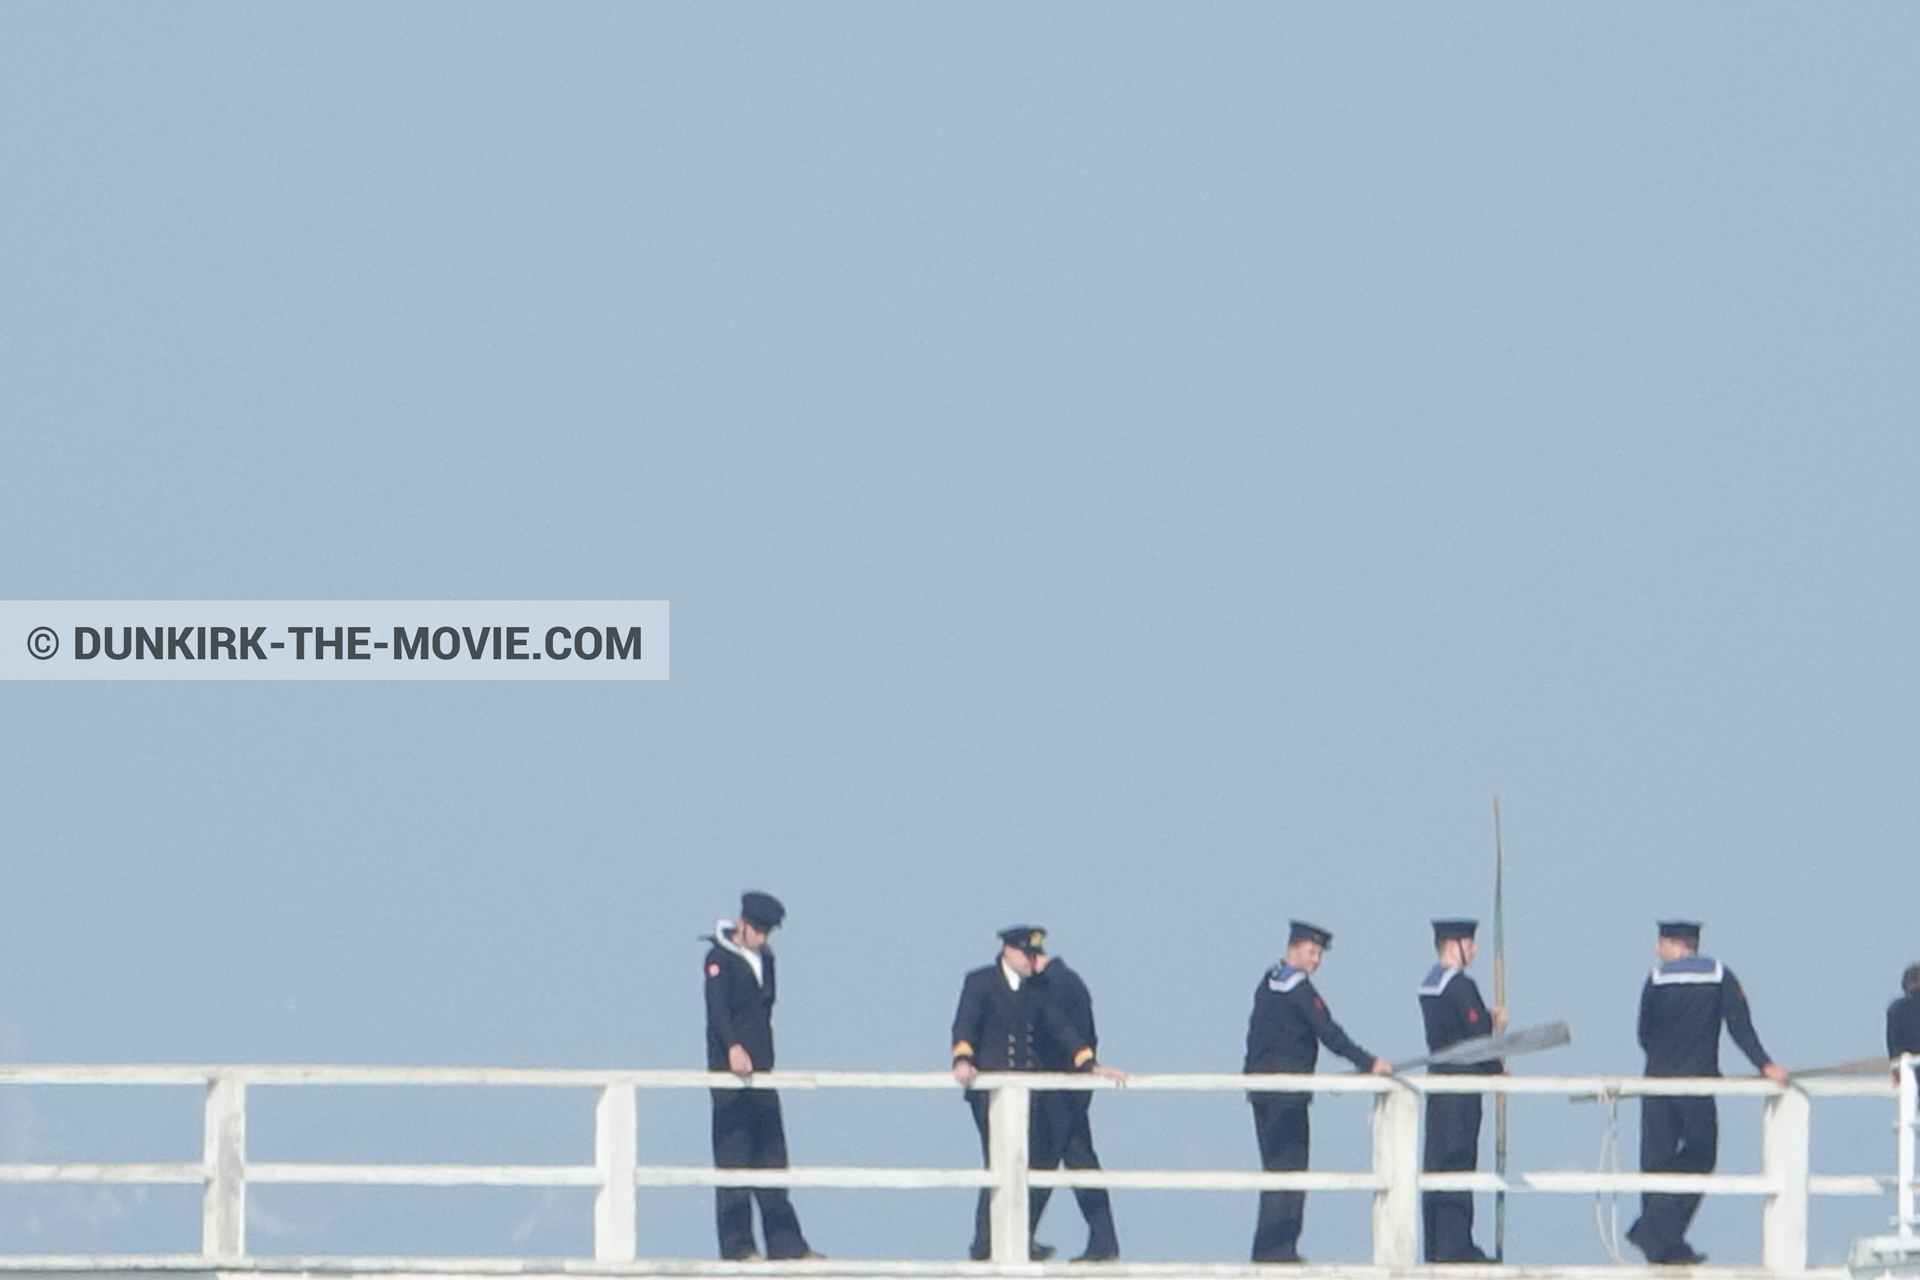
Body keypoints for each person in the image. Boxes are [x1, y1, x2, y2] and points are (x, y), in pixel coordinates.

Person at [951, 925, 1124, 1261]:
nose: (1033, 961)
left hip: (1032, 1096)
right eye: (1027, 954)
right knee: (998, 1163)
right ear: (1009, 952)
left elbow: (1061, 1028)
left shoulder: (1038, 990)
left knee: (1028, 1164)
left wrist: (1090, 1064)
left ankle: (1012, 1240)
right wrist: (963, 1059)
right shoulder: (981, 982)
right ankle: (987, 1245)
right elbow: (965, 1023)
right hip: (992, 1094)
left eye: (1035, 954)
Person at [1626, 920, 1789, 1267]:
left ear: (1677, 944)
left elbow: (1644, 1033)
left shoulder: (1655, 980)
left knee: (1655, 1162)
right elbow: (1740, 1027)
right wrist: (1765, 1064)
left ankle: (1659, 1241)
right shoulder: (1719, 976)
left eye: (1661, 944)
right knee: (1701, 1156)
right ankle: (1661, 1237)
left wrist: (1661, 1059)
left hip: (1655, 1079)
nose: (1657, 951)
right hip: (1697, 1081)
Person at [1243, 920, 1393, 1264]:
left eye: (1319, 955)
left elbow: (1256, 1035)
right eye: (1312, 952)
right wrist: (1369, 1062)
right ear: (1293, 948)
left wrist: (1249, 1078)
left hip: (1264, 1091)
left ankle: (1267, 1251)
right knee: (1291, 1170)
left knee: (1275, 1170)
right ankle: (1279, 1251)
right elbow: (1329, 1033)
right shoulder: (1298, 988)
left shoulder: (1268, 983)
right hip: (1289, 1092)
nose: (1316, 961)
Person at [703, 891, 817, 1261]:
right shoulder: (718, 960)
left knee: (772, 1159)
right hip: (730, 1077)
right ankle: (738, 1248)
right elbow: (718, 1012)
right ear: (743, 924)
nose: (764, 938)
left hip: (764, 1072)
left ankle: (787, 1245)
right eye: (760, 930)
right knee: (734, 1162)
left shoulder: (766, 960)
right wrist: (732, 1047)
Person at [1417, 918, 1506, 1264]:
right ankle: (1457, 1247)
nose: (1475, 950)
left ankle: (1437, 1246)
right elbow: (1475, 1038)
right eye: (1470, 944)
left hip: (1438, 1079)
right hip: (1462, 1085)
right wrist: (1497, 1061)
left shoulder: (1430, 985)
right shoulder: (1459, 985)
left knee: (1437, 1161)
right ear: (1454, 945)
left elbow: (1453, 1027)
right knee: (1458, 1159)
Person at [1032, 948, 1121, 1262]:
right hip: (1071, 1087)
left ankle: (1020, 1238)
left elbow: (1057, 1033)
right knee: (1076, 1161)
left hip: (1059, 1090)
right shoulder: (1071, 982)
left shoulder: (1050, 985)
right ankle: (1103, 1240)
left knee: (1044, 1162)